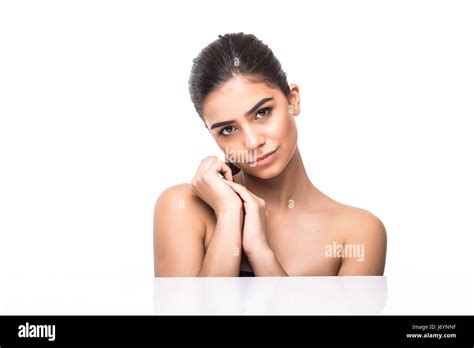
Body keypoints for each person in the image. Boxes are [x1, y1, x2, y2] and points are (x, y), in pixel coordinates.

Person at [154, 33, 387, 277]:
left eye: (262, 113)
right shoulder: (182, 208)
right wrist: (229, 215)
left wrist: (260, 252)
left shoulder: (359, 233)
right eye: (228, 129)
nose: (253, 142)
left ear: (292, 100)